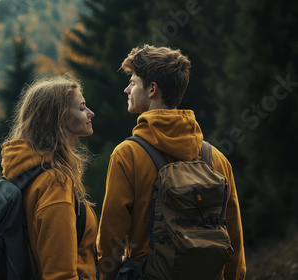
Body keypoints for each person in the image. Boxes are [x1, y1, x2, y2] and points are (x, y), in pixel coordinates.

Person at [96, 44, 246, 280]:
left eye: (133, 83)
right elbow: (233, 236)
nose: (127, 89)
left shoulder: (127, 154)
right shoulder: (216, 159)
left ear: (152, 89)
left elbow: (111, 236)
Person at [0, 75, 98, 280]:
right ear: (60, 118)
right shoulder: (54, 183)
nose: (90, 113)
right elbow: (60, 274)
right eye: (81, 108)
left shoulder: (27, 172)